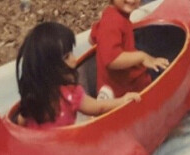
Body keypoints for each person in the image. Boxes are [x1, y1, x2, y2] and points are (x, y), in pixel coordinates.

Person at [13, 22, 142, 128]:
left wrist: (122, 101)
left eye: (71, 53)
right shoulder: (35, 99)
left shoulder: (66, 94)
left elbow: (98, 107)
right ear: (48, 68)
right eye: (67, 57)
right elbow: (20, 123)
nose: (74, 59)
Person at [90, 0, 170, 101]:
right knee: (168, 72)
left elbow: (93, 37)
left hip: (122, 85)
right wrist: (141, 57)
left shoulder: (112, 17)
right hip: (126, 92)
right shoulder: (113, 22)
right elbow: (112, 59)